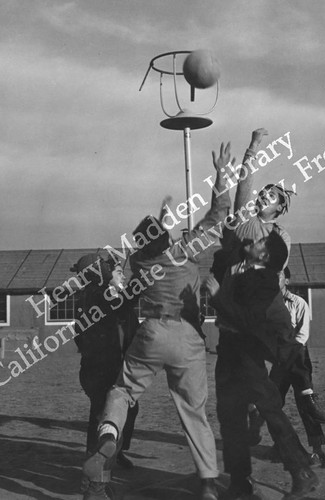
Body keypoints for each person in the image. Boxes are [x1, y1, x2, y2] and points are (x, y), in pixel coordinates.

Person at [81, 136, 253, 500]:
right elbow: (218, 214)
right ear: (167, 238)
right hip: (187, 337)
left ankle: (109, 436)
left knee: (122, 391)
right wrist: (222, 174)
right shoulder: (185, 251)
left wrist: (157, 226)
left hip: (151, 333)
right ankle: (207, 481)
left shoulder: (140, 263)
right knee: (194, 412)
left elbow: (149, 247)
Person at [205, 232, 319, 500]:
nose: (252, 242)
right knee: (233, 418)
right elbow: (232, 230)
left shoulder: (265, 281)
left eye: (258, 243)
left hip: (245, 355)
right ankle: (241, 483)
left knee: (267, 411)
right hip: (231, 352)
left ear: (265, 256)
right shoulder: (245, 268)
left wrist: (218, 296)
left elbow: (248, 321)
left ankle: (301, 473)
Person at [71, 255, 139, 499]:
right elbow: (130, 300)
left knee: (101, 423)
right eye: (110, 268)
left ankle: (90, 480)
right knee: (109, 426)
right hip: (105, 371)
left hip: (92, 370)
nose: (115, 271)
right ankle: (96, 487)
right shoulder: (102, 296)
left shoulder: (88, 296)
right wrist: (143, 276)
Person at [265, 267, 325, 466]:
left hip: (298, 358)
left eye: (278, 275)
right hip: (279, 361)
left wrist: (288, 354)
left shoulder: (299, 303)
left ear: (287, 280)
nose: (274, 279)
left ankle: (318, 452)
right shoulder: (267, 305)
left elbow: (302, 335)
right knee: (272, 403)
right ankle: (281, 446)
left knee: (306, 404)